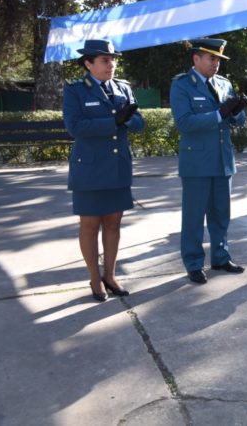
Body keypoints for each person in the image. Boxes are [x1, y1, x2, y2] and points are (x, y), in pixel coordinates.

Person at [62, 39, 144, 301]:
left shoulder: (123, 89)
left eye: (113, 59)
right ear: (89, 63)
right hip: (89, 169)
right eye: (105, 60)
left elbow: (139, 124)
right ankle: (94, 279)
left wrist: (129, 119)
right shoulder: (76, 90)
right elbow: (75, 127)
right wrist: (112, 121)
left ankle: (110, 275)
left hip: (117, 167)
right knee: (89, 225)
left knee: (113, 223)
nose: (111, 64)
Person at [169, 38, 247, 284]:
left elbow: (238, 119)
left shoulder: (224, 84)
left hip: (223, 160)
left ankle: (220, 257)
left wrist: (237, 112)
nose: (216, 64)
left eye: (219, 60)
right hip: (197, 162)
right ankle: (193, 263)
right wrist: (218, 114)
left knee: (221, 214)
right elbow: (184, 123)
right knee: (194, 217)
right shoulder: (182, 85)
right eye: (212, 58)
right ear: (196, 58)